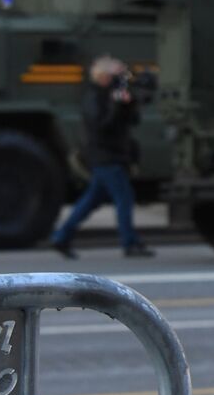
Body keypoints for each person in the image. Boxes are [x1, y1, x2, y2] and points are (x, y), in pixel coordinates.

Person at [50, 55, 154, 259]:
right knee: (124, 198)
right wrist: (117, 105)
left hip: (111, 155)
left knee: (91, 200)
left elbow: (131, 120)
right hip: (105, 155)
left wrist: (128, 103)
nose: (121, 79)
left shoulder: (109, 95)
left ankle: (62, 236)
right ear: (104, 76)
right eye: (117, 75)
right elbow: (102, 126)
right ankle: (129, 242)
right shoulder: (95, 97)